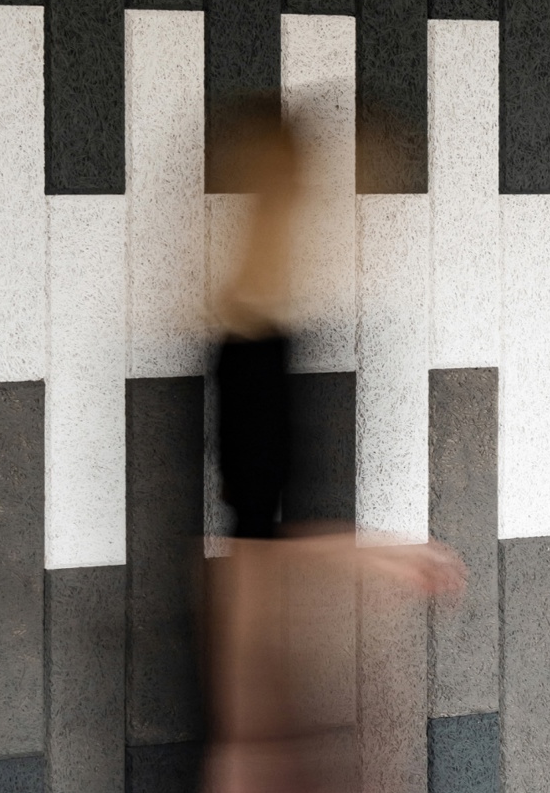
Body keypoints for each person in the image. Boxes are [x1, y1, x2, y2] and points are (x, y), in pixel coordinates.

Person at [202, 91, 465, 793]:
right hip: (264, 676)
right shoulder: (253, 347)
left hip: (269, 679)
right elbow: (254, 543)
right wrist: (380, 555)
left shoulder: (258, 337)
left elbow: (253, 538)